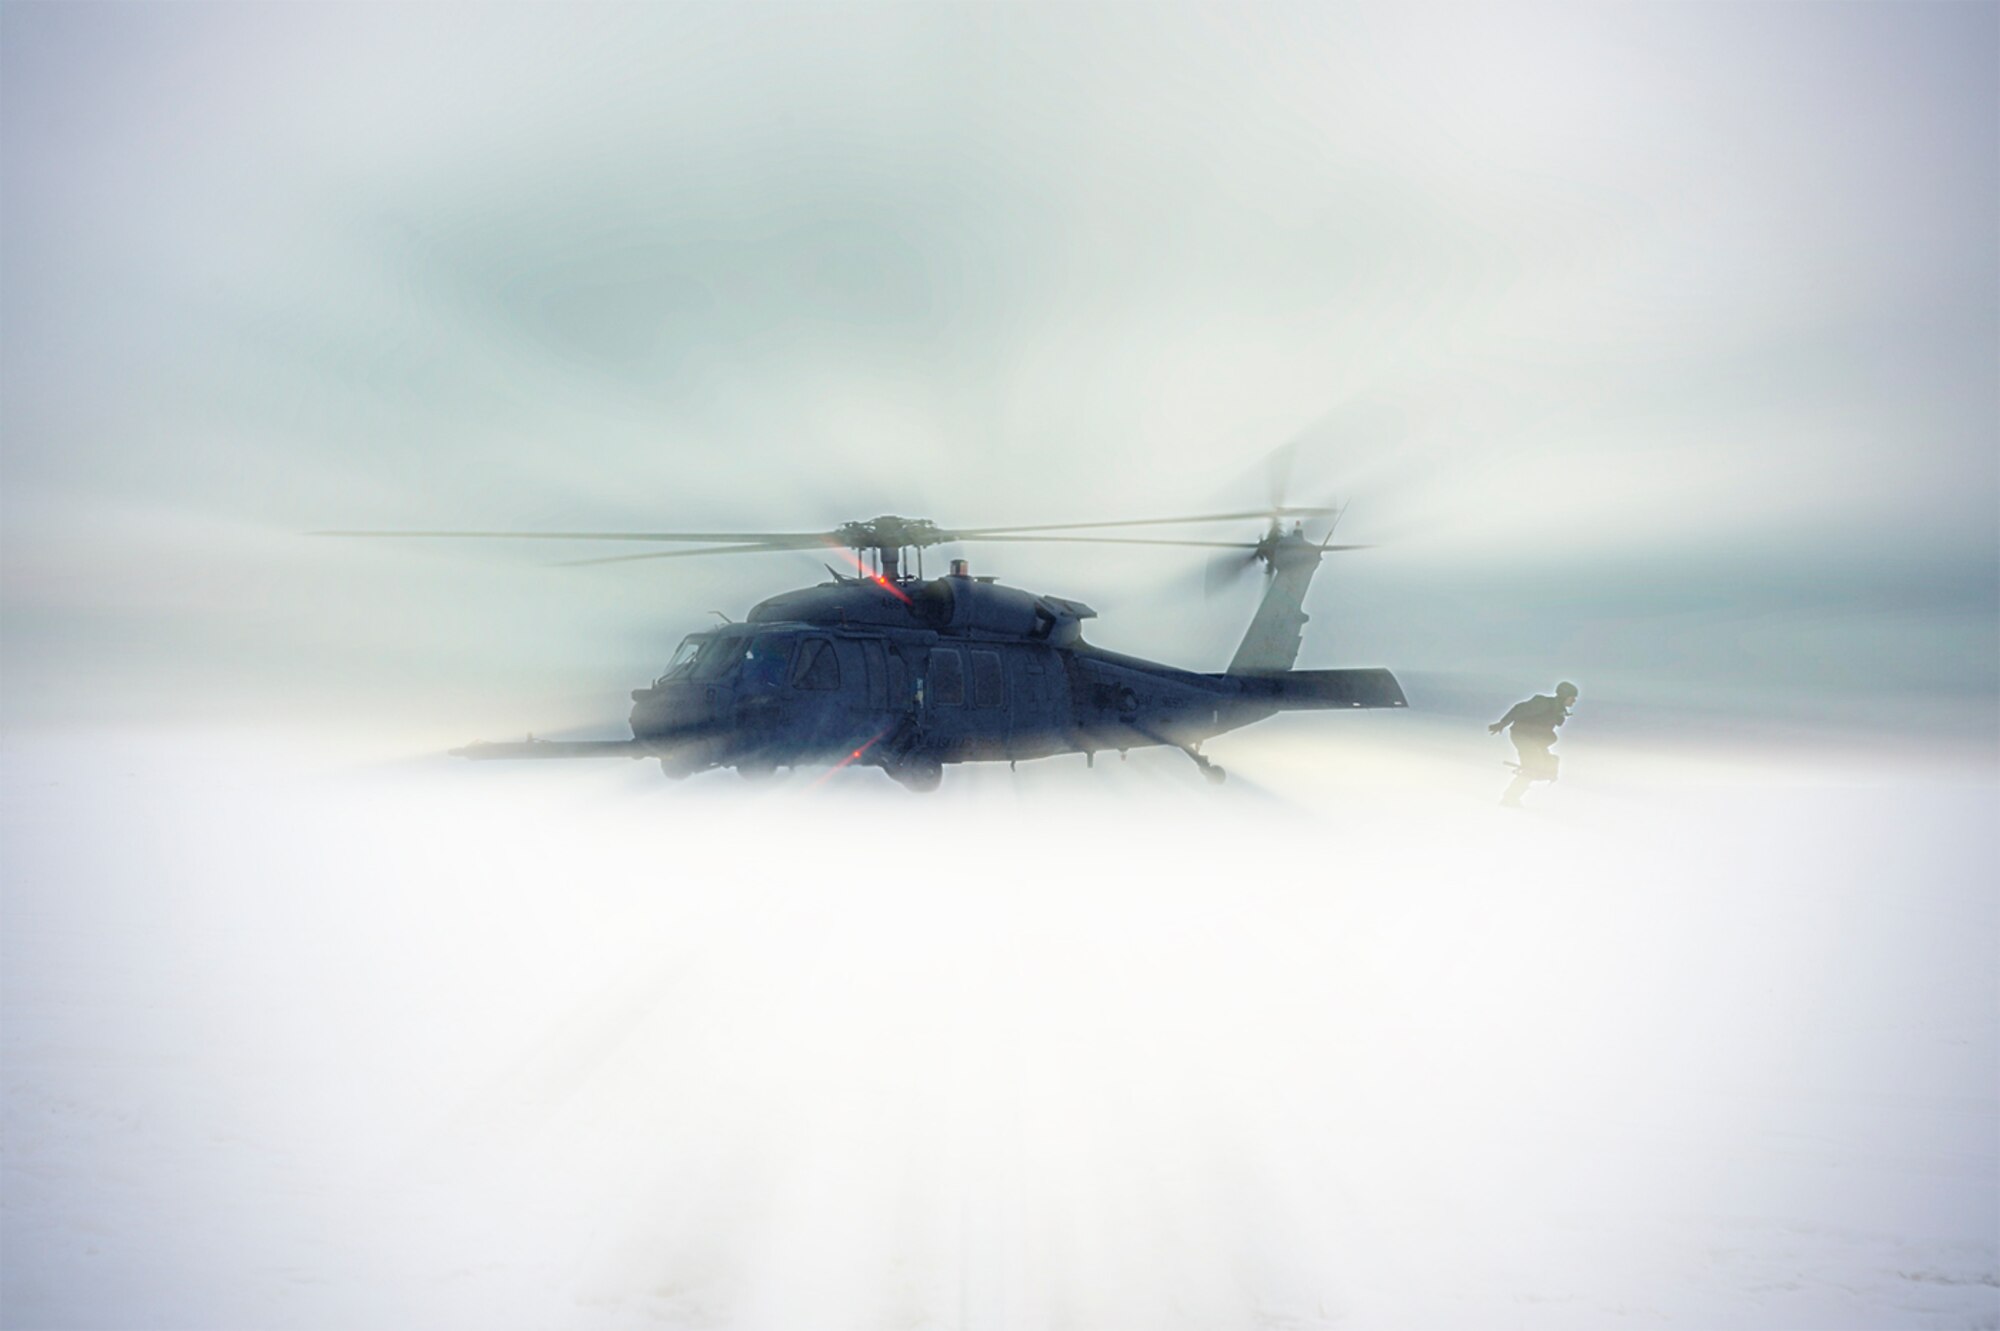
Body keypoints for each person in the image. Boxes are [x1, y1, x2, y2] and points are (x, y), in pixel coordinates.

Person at [1489, 681, 1578, 807]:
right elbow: (1518, 709)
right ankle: (1509, 799)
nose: (1574, 701)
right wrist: (1502, 723)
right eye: (1572, 698)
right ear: (1564, 696)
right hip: (1522, 736)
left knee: (1549, 763)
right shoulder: (1543, 703)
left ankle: (1535, 773)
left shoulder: (1559, 710)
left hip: (1535, 741)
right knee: (1531, 768)